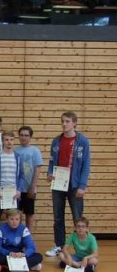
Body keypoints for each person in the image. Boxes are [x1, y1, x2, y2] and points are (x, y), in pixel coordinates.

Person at [46, 111, 91, 258]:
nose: (64, 124)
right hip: (58, 183)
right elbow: (52, 161)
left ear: (74, 123)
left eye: (67, 121)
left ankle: (81, 248)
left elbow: (86, 165)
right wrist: (49, 173)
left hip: (75, 184)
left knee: (77, 218)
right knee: (58, 217)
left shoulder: (82, 141)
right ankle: (59, 246)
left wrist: (82, 186)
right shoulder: (56, 141)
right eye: (62, 121)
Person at [0, 131, 22, 229]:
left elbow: (21, 175)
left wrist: (19, 190)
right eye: (6, 140)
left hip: (13, 193)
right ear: (2, 141)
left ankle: (14, 239)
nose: (9, 142)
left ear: (14, 141)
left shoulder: (18, 157)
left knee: (14, 220)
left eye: (11, 140)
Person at [0, 208, 43, 272]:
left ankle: (7, 267)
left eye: (17, 219)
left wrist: (24, 254)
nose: (14, 222)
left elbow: (31, 247)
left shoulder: (23, 229)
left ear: (20, 220)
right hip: (6, 254)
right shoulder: (0, 229)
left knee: (39, 256)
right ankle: (25, 266)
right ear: (7, 219)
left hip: (19, 255)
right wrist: (9, 253)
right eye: (11, 219)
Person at [16, 126, 44, 234]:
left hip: (29, 188)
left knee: (29, 213)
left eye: (26, 135)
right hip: (17, 189)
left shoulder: (35, 151)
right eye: (21, 135)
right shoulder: (15, 151)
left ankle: (28, 236)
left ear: (30, 137)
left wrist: (32, 186)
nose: (23, 137)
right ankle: (17, 236)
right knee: (16, 214)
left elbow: (37, 169)